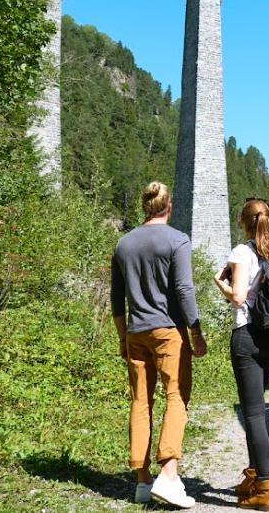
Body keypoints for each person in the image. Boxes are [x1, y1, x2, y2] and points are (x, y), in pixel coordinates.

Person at [111, 181, 207, 509]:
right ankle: (168, 474)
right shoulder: (177, 240)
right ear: (169, 207)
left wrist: (123, 337)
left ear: (145, 206)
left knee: (140, 401)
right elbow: (184, 289)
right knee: (176, 396)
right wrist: (195, 331)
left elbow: (116, 299)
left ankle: (142, 481)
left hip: (136, 332)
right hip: (168, 332)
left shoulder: (124, 244)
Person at [213, 198, 269, 511]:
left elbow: (239, 298)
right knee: (256, 410)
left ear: (243, 222)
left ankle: (264, 489)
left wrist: (221, 283)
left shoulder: (241, 252)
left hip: (247, 335)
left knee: (254, 413)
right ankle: (253, 476)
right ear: (268, 220)